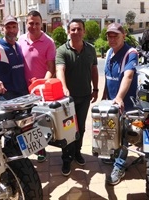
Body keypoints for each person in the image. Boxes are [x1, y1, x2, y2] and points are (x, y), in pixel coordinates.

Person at [56, 19, 99, 176]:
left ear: (84, 31)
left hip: (85, 96)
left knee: (80, 127)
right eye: (73, 29)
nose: (76, 32)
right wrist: (64, 88)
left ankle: (77, 152)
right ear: (69, 31)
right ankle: (66, 158)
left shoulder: (91, 49)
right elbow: (60, 70)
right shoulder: (62, 50)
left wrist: (96, 89)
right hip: (68, 100)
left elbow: (94, 70)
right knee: (68, 129)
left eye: (79, 29)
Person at [102, 22, 138, 185]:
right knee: (112, 130)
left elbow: (128, 76)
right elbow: (108, 77)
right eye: (109, 35)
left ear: (123, 36)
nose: (112, 38)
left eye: (115, 35)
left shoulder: (130, 53)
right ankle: (116, 155)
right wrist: (104, 95)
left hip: (125, 103)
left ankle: (119, 166)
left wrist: (119, 97)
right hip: (112, 103)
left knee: (123, 135)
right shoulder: (110, 52)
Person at [18, 10, 56, 162]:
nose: (33, 26)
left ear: (42, 24)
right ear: (26, 24)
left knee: (38, 120)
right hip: (22, 89)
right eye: (30, 23)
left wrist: (40, 85)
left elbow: (51, 69)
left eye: (37, 23)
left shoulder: (49, 42)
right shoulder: (20, 40)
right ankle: (25, 148)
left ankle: (40, 149)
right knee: (23, 121)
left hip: (39, 90)